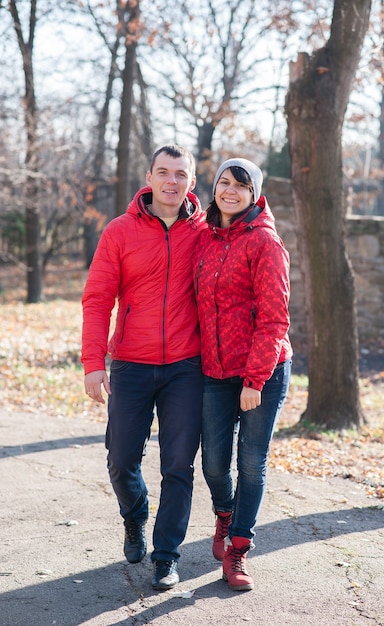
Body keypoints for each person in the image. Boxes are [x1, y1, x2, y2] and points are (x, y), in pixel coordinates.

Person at [81, 144, 206, 591]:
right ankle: (135, 517)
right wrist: (94, 363)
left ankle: (166, 557)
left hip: (186, 368)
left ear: (192, 181)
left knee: (178, 466)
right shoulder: (119, 231)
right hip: (131, 364)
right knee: (120, 461)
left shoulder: (207, 232)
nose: (173, 181)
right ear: (149, 177)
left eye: (181, 174)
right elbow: (97, 300)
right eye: (164, 172)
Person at [193, 158, 292, 591]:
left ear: (255, 193)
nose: (230, 190)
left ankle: (238, 548)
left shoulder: (265, 243)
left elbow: (274, 320)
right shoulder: (206, 239)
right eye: (224, 182)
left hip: (262, 373)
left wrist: (254, 380)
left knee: (251, 463)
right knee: (214, 463)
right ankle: (225, 514)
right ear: (215, 188)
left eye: (241, 184)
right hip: (215, 370)